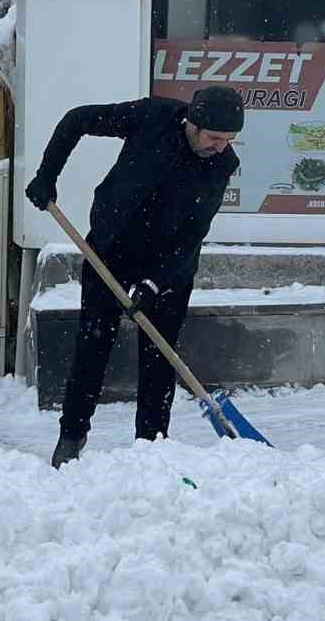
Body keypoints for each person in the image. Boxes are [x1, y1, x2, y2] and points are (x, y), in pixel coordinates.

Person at [24, 86, 244, 469]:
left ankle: (151, 448)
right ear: (193, 122)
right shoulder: (151, 117)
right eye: (214, 138)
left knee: (158, 361)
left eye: (228, 140)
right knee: (92, 348)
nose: (220, 147)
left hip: (169, 269)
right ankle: (71, 438)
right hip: (109, 253)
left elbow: (193, 234)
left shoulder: (220, 165)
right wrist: (47, 175)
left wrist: (155, 284)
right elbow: (78, 119)